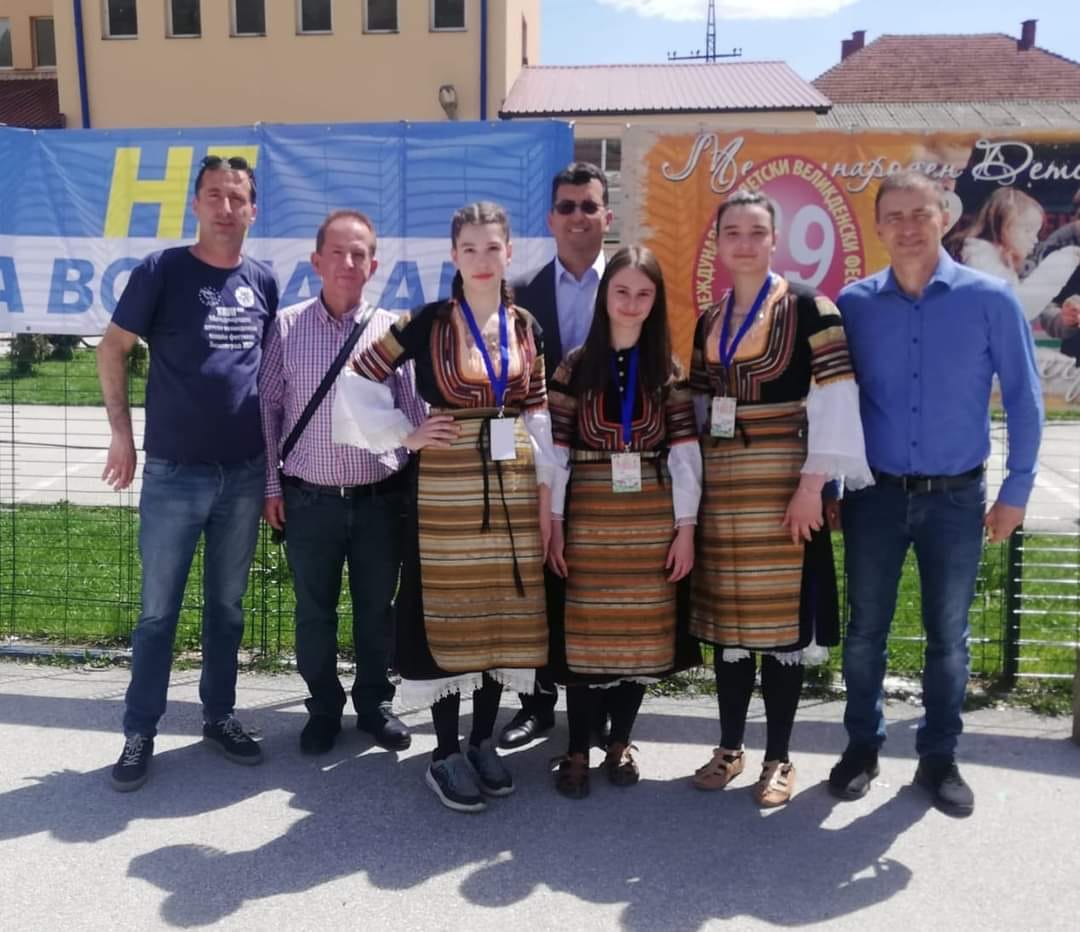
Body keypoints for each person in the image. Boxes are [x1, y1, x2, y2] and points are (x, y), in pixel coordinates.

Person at [831, 170, 1043, 817]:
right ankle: (862, 747)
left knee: (949, 636)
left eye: (919, 214)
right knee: (864, 632)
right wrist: (834, 483)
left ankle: (939, 756)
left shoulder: (991, 299)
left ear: (944, 217)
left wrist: (1016, 490)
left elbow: (1025, 399)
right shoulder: (853, 305)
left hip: (956, 499)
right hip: (873, 496)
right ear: (878, 227)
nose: (908, 227)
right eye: (894, 216)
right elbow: (836, 403)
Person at [333, 201, 555, 813]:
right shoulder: (426, 322)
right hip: (445, 490)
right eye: (470, 249)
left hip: (511, 485)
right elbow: (359, 374)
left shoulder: (526, 326)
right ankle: (445, 753)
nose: (482, 260)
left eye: (492, 248)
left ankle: (483, 742)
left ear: (509, 252)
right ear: (454, 255)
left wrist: (547, 494)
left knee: (498, 613)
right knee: (450, 610)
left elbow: (537, 412)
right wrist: (405, 435)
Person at [97, 155, 279, 791]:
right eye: (214, 196)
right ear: (196, 205)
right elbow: (112, 349)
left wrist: (274, 471)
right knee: (157, 613)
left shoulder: (263, 280)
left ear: (253, 210)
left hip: (245, 474)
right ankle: (140, 728)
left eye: (237, 197)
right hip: (174, 474)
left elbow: (271, 379)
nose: (226, 208)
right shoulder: (162, 271)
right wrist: (122, 435)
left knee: (226, 608)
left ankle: (219, 716)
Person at [688, 189, 872, 808]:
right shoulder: (709, 320)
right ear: (718, 243)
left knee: (782, 630)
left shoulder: (811, 308)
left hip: (785, 486)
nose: (744, 243)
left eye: (756, 232)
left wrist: (813, 487)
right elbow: (697, 406)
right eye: (732, 232)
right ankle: (729, 747)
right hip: (722, 492)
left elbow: (837, 397)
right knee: (730, 626)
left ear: (774, 240)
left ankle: (780, 757)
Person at [258, 210, 426, 756]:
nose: (348, 263)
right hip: (310, 502)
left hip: (380, 501)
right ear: (316, 261)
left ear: (373, 265)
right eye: (338, 252)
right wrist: (271, 486)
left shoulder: (392, 333)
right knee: (315, 613)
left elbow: (414, 414)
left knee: (377, 610)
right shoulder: (286, 328)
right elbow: (268, 411)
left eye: (359, 254)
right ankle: (324, 709)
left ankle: (375, 704)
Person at [545, 245, 701, 798]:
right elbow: (555, 450)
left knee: (640, 639)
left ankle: (620, 742)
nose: (631, 303)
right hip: (588, 520)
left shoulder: (668, 369)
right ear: (604, 295)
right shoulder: (574, 364)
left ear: (656, 301)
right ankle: (576, 748)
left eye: (643, 294)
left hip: (651, 522)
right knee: (585, 639)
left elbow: (685, 452)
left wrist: (686, 528)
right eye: (622, 291)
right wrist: (553, 521)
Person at [500, 161, 614, 749]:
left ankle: (600, 709)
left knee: (600, 586)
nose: (577, 217)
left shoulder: (633, 284)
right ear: (550, 219)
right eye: (566, 207)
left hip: (609, 462)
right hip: (539, 462)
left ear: (607, 216)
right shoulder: (519, 292)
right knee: (539, 583)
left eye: (588, 206)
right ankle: (537, 704)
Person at [944, 187, 1080, 323]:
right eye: (1027, 230)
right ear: (1002, 225)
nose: (1035, 240)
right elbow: (1016, 308)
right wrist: (1062, 262)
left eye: (1036, 233)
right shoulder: (980, 258)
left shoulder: (996, 260)